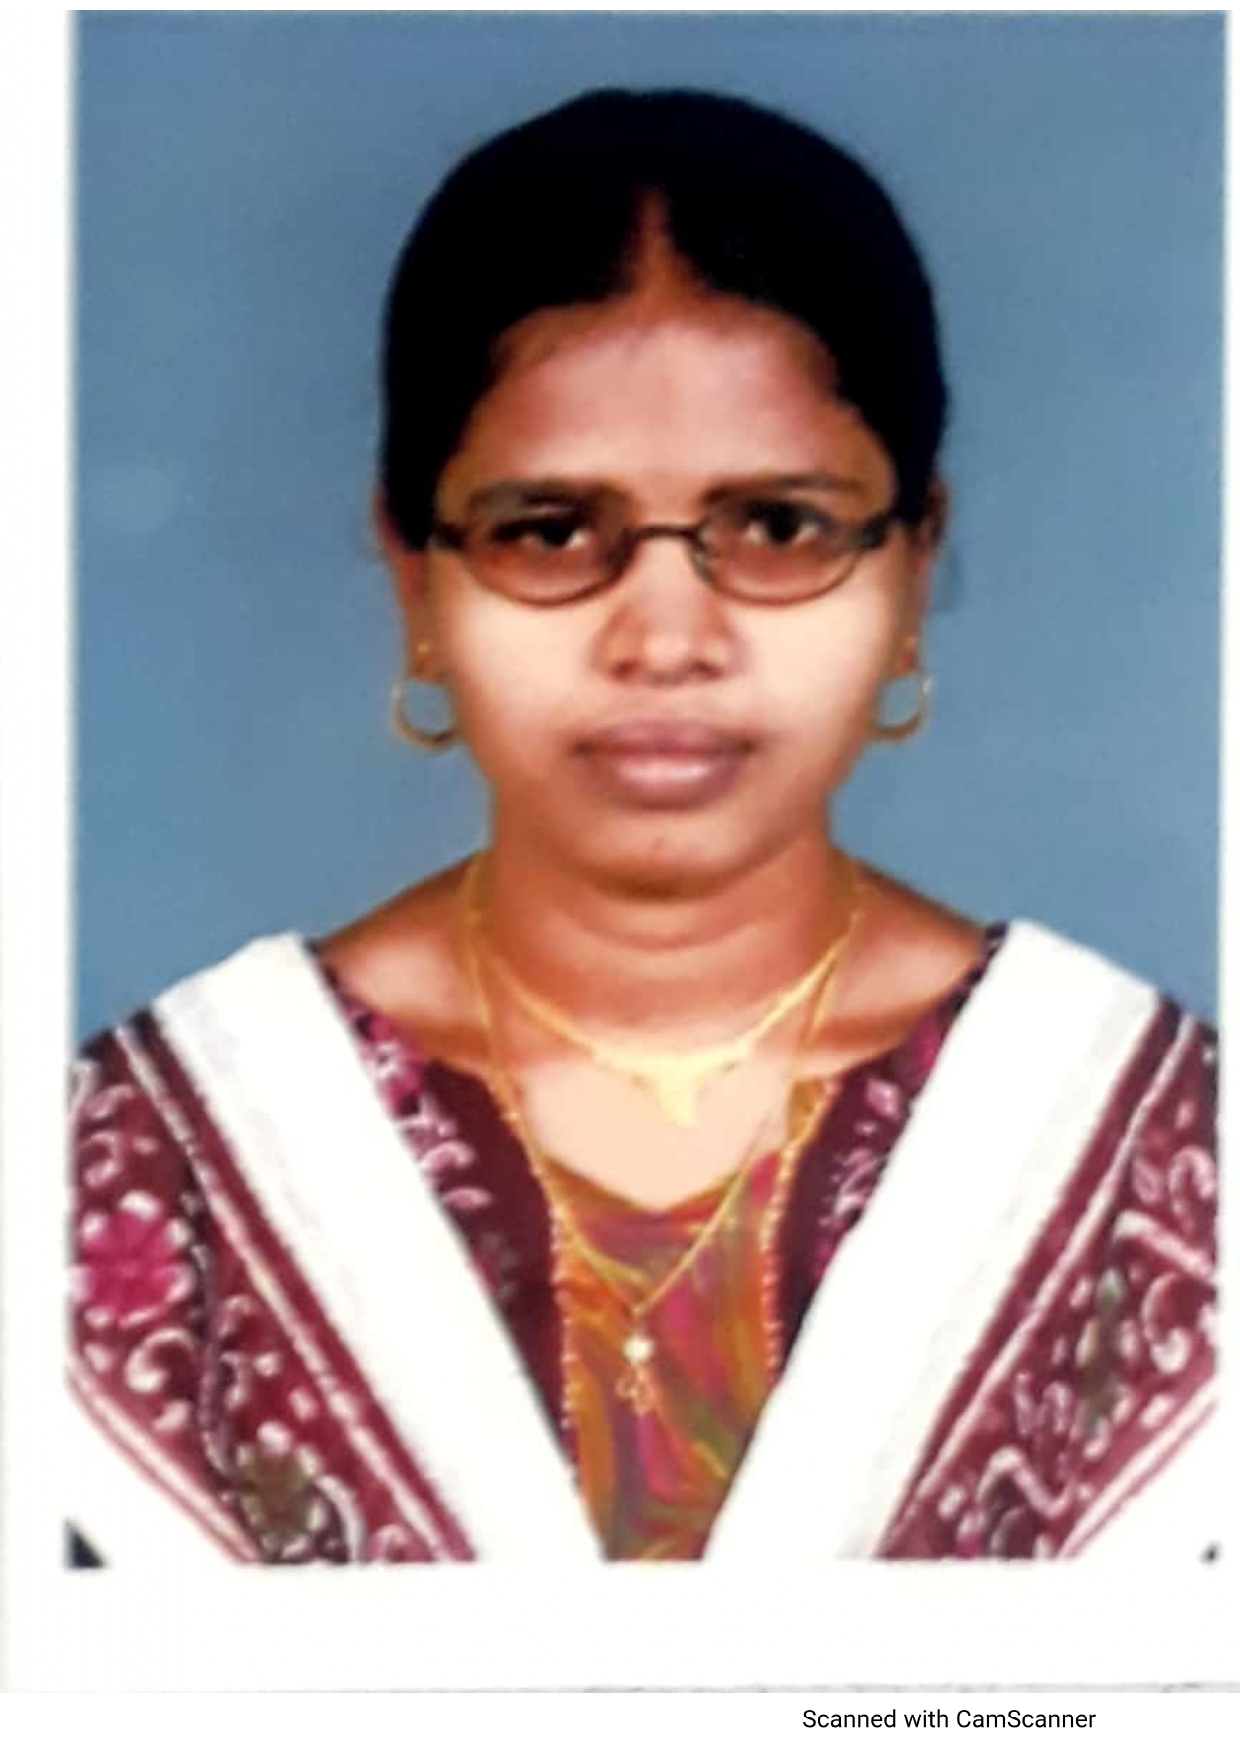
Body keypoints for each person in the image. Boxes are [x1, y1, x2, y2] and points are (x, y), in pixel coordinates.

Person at [69, 88, 1218, 1566]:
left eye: (781, 528)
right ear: (416, 573)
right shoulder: (149, 1158)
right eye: (551, 531)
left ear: (914, 566)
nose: (667, 638)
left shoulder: (1156, 1152)